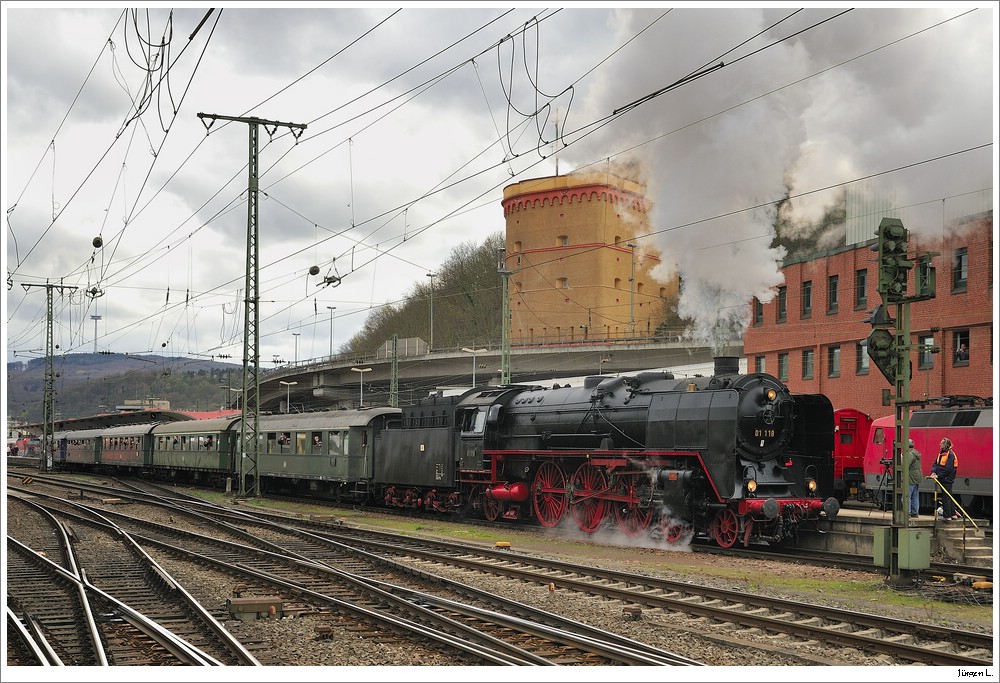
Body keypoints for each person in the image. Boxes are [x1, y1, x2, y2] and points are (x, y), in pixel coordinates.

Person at [930, 437, 959, 520]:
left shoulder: (950, 455)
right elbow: (936, 464)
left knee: (946, 497)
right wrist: (933, 472)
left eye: (941, 443)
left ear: (945, 445)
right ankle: (953, 514)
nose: (940, 444)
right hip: (943, 478)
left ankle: (947, 516)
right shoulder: (941, 453)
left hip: (947, 479)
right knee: (948, 496)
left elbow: (948, 469)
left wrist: (938, 475)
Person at [906, 439, 922, 517]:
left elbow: (905, 464)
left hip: (910, 477)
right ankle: (915, 512)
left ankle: (908, 513)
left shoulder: (910, 454)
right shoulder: (915, 453)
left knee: (906, 496)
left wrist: (902, 457)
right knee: (915, 496)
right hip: (916, 477)